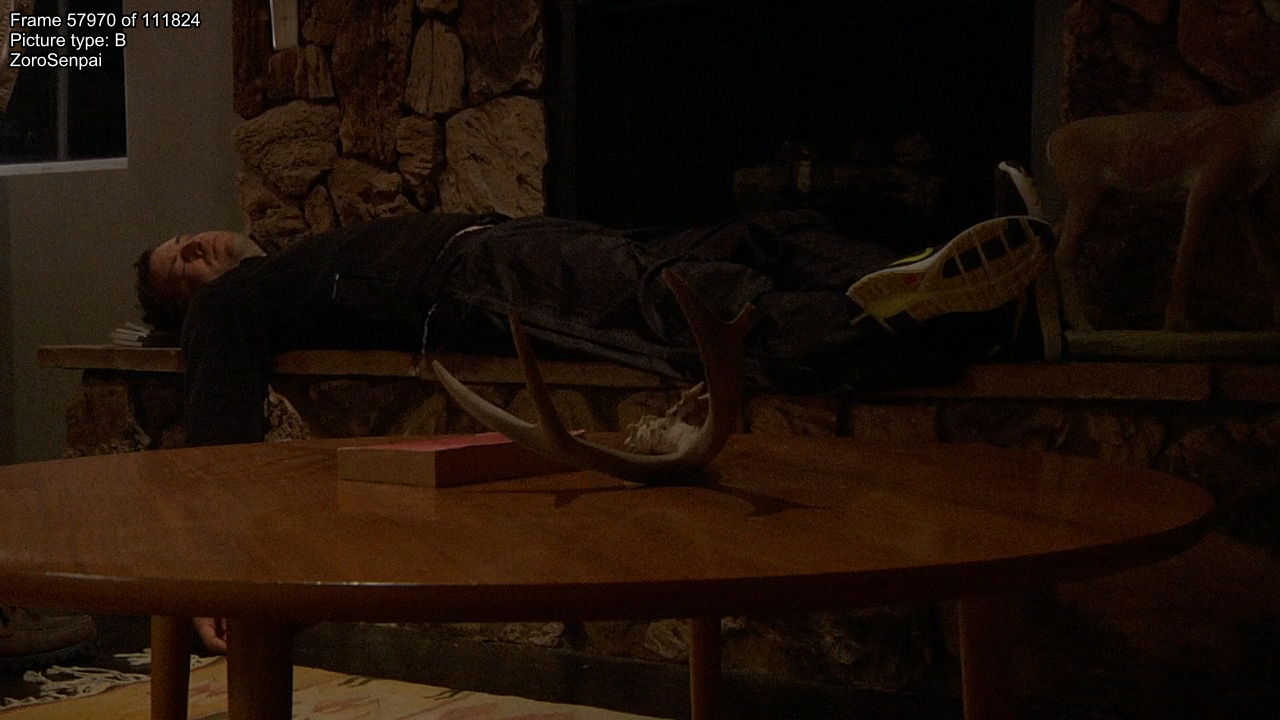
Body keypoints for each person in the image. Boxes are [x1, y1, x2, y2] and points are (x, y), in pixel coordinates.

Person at [137, 206, 1051, 652]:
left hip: (518, 237)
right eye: (179, 272)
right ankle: (900, 320)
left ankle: (941, 288)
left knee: (756, 234)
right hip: (472, 279)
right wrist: (217, 561)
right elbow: (220, 426)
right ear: (187, 305)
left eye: (186, 240)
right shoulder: (241, 299)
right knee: (680, 306)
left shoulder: (302, 253)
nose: (194, 252)